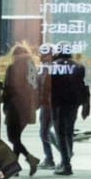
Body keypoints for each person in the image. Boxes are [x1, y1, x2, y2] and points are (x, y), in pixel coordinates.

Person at [47, 43, 91, 175]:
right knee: (68, 132)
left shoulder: (52, 67)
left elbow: (46, 87)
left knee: (60, 133)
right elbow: (85, 88)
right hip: (73, 104)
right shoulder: (79, 67)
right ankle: (66, 160)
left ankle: (66, 164)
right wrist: (86, 105)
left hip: (58, 104)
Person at [0, 42, 42, 176]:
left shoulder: (13, 67)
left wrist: (1, 89)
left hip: (15, 106)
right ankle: (14, 168)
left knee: (13, 137)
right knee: (16, 137)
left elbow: (10, 88)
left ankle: (30, 159)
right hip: (27, 106)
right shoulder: (32, 67)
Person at [34, 44, 61, 172]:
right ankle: (63, 153)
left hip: (48, 104)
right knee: (47, 131)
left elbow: (44, 87)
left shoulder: (48, 68)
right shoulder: (47, 67)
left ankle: (51, 158)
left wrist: (38, 101)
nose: (40, 55)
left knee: (44, 132)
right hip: (48, 104)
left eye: (43, 53)